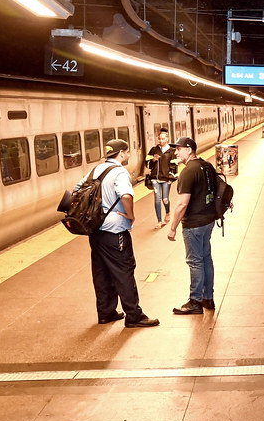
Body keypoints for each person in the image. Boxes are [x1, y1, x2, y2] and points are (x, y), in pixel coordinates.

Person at [76, 139, 160, 328]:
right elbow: (126, 195)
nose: (128, 155)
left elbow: (76, 190)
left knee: (101, 272)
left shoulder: (95, 170)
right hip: (115, 231)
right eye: (128, 152)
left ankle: (106, 312)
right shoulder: (120, 172)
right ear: (121, 153)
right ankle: (134, 316)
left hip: (96, 230)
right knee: (124, 271)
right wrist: (130, 215)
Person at [166, 136, 218, 314]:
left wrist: (172, 227)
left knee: (195, 261)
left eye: (178, 149)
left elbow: (182, 204)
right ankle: (207, 298)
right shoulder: (206, 165)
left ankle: (195, 301)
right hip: (208, 220)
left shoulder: (188, 171)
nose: (176, 152)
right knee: (205, 259)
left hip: (194, 224)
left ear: (189, 150)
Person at [146, 129, 177, 228]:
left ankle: (167, 212)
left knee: (165, 199)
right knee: (157, 199)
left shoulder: (171, 151)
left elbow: (174, 165)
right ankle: (159, 221)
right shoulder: (154, 150)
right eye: (159, 139)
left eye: (163, 139)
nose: (161, 141)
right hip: (155, 178)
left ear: (167, 139)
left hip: (166, 179)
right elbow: (147, 164)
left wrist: (171, 178)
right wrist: (153, 160)